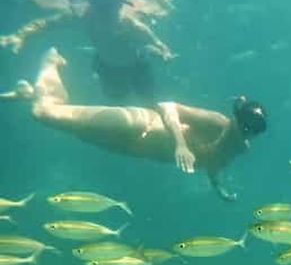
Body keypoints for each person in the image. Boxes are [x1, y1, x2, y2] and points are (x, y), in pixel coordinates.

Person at [1, 48, 267, 201]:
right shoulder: (218, 122)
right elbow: (167, 106)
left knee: (67, 125)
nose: (247, 132)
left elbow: (214, 160)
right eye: (245, 124)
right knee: (44, 115)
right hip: (137, 124)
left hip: (133, 148)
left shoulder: (240, 148)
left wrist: (218, 187)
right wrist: (181, 145)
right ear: (236, 115)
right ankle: (51, 62)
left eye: (254, 130)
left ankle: (30, 92)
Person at [0, 0, 173, 104]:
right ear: (93, 5)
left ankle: (145, 57)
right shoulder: (83, 16)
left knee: (148, 96)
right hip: (105, 64)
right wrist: (19, 35)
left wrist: (163, 50)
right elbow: (45, 23)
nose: (113, 12)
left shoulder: (129, 23)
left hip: (137, 64)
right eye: (107, 7)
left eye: (115, 7)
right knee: (115, 96)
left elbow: (153, 39)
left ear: (120, 6)